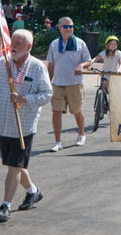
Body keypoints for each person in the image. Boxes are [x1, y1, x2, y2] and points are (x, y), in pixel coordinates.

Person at [0, 29, 53, 222]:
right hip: (2, 125)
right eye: (13, 42)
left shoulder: (36, 67)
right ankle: (33, 191)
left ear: (29, 47)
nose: (14, 46)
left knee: (13, 167)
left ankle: (5, 206)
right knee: (16, 166)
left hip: (23, 127)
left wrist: (24, 99)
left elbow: (47, 94)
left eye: (19, 43)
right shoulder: (2, 64)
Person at [47, 17, 91, 152]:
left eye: (70, 26)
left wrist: (81, 65)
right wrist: (48, 82)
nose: (68, 29)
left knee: (77, 112)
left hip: (75, 84)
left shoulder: (80, 43)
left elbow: (89, 61)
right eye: (65, 26)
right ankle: (57, 142)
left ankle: (81, 134)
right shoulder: (54, 44)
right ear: (59, 28)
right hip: (58, 84)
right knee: (56, 113)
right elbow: (51, 65)